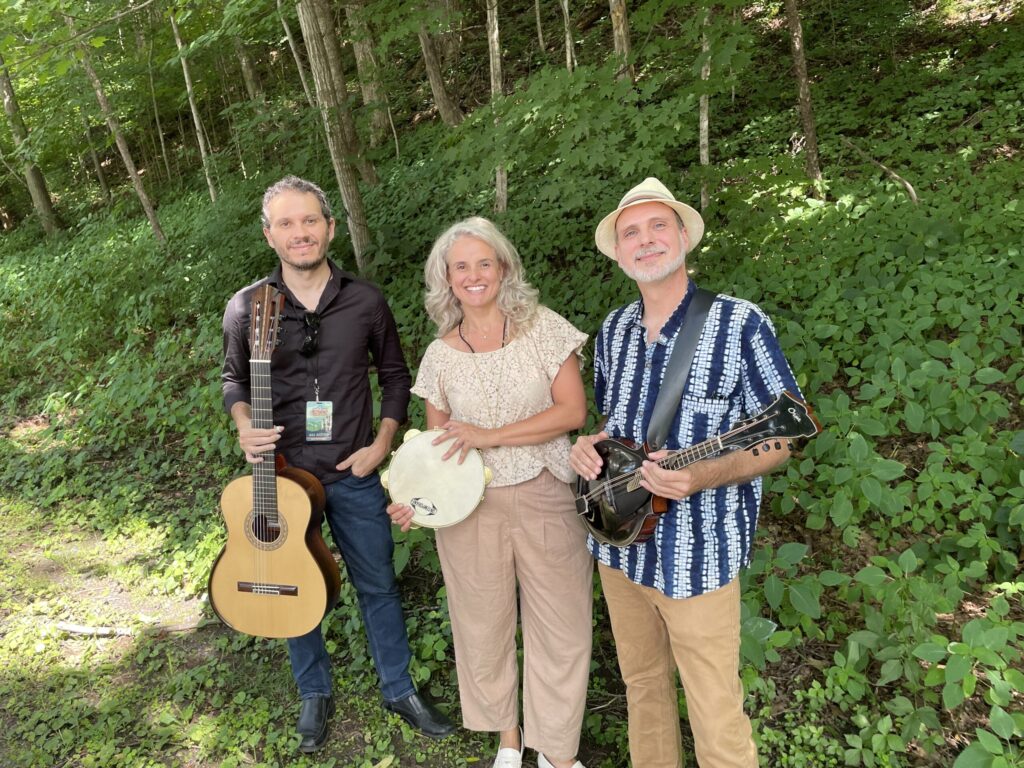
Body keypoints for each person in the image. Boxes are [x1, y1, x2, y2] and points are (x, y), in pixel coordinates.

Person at [569, 177, 803, 768]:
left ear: (682, 237)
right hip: (620, 548)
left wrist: (700, 476)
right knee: (643, 688)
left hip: (699, 555)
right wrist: (590, 447)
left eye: (657, 227)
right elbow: (615, 424)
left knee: (716, 708)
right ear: (619, 252)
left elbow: (782, 438)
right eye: (631, 232)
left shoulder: (739, 324)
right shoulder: (614, 331)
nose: (645, 241)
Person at [221, 176, 455, 753]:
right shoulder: (247, 306)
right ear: (269, 234)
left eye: (309, 221)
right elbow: (233, 380)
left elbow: (397, 377)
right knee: (287, 584)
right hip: (280, 476)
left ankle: (399, 689)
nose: (300, 233)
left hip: (353, 472)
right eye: (286, 223)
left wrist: (383, 443)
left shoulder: (366, 301)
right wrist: (246, 426)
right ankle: (314, 693)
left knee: (378, 585)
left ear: (329, 227)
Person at [387, 217, 593, 768]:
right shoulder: (439, 356)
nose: (474, 275)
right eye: (462, 267)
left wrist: (489, 436)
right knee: (482, 625)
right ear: (446, 279)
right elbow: (435, 451)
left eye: (485, 263)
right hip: (469, 510)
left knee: (563, 624)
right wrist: (414, 501)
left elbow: (572, 412)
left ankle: (553, 749)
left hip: (546, 490)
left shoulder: (544, 328)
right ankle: (508, 738)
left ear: (504, 269)